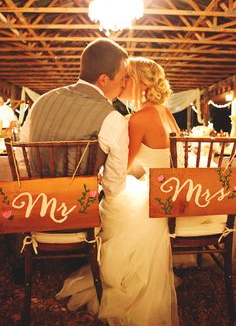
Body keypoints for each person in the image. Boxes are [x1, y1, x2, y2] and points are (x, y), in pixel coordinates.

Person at [56, 57, 180, 326]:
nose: (122, 85)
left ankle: (116, 282)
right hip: (167, 195)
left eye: (128, 79)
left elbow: (122, 168)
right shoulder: (165, 113)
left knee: (111, 203)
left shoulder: (138, 119)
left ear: (141, 83)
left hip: (151, 199)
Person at [20, 38, 129, 197]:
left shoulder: (41, 101)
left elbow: (21, 157)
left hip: (34, 205)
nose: (124, 84)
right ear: (103, 80)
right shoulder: (112, 119)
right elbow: (113, 188)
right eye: (122, 78)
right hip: (79, 215)